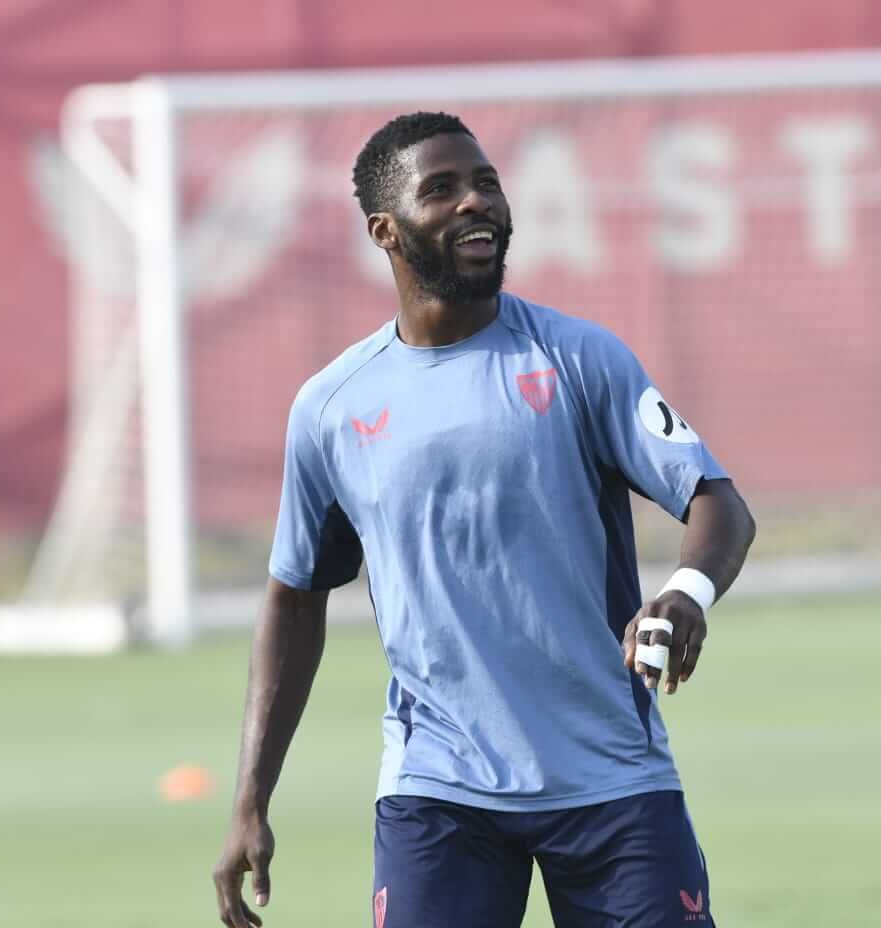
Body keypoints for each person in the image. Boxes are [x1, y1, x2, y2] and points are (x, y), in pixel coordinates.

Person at [212, 111, 756, 928]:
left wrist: (686, 592)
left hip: (613, 780)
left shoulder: (579, 359)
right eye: (443, 190)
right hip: (439, 791)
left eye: (488, 184)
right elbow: (295, 599)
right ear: (386, 231)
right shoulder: (331, 408)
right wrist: (250, 799)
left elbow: (719, 503)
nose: (478, 203)